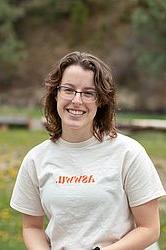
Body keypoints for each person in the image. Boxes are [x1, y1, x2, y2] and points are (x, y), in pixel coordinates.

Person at [10, 51, 165, 250]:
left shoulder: (129, 153)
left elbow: (149, 229)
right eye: (69, 90)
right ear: (56, 94)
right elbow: (32, 227)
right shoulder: (35, 159)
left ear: (100, 101)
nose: (77, 100)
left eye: (88, 93)